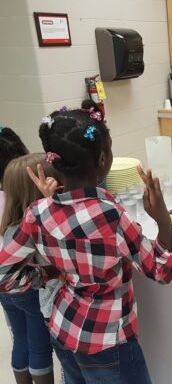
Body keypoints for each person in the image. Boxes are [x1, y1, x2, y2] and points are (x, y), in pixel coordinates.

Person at [0, 100, 172, 384]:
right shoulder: (110, 217)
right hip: (109, 340)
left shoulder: (39, 211)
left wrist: (46, 274)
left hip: (63, 330)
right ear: (102, 160)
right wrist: (163, 221)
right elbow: (161, 270)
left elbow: (3, 273)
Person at [0, 130, 56, 384]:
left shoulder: (10, 218)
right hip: (28, 290)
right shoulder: (31, 224)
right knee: (39, 346)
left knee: (20, 339)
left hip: (7, 292)